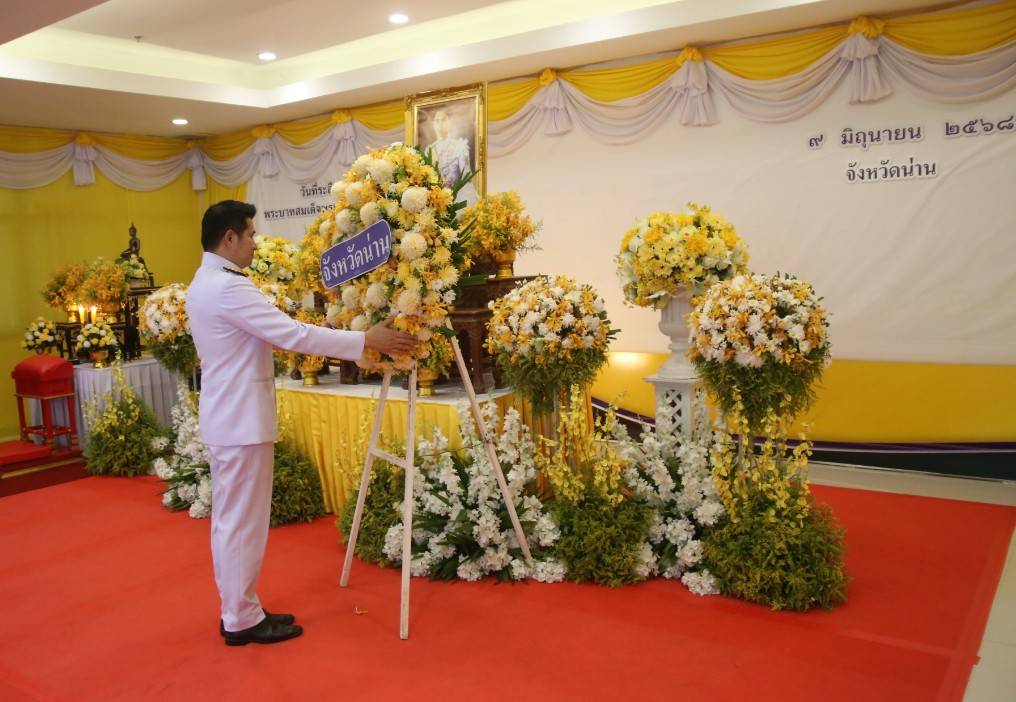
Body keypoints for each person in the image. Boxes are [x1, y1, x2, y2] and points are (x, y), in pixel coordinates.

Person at [186, 200, 416, 646]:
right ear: (229, 238)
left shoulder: (208, 281)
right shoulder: (227, 288)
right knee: (241, 525)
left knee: (235, 523)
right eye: (250, 234)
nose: (255, 243)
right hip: (239, 422)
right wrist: (363, 339)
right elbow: (291, 333)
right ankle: (240, 619)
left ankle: (242, 608)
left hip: (230, 418)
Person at [425, 109, 478, 205]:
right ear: (433, 125)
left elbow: (466, 177)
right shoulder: (429, 150)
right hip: (435, 202)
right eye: (437, 120)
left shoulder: (459, 146)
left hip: (456, 199)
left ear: (449, 122)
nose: (440, 123)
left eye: (443, 120)